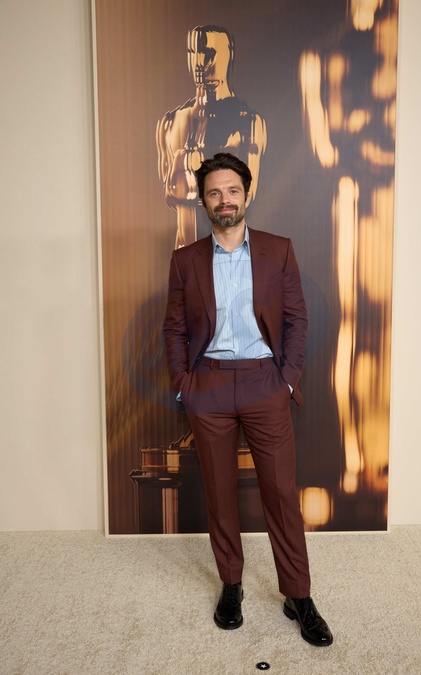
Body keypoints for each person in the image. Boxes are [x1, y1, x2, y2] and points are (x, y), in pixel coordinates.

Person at [163, 152, 333, 646]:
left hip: (265, 382)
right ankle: (231, 585)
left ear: (247, 195)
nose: (224, 200)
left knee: (281, 493)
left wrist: (286, 380)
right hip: (208, 385)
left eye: (232, 191)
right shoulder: (185, 260)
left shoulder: (279, 250)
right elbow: (174, 328)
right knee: (219, 494)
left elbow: (297, 319)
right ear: (203, 201)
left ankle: (298, 595)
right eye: (214, 192)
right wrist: (184, 385)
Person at [156, 25, 266, 248]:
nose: (199, 63)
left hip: (232, 250)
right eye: (194, 53)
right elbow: (170, 192)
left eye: (209, 53)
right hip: (185, 249)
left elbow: (246, 195)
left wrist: (187, 169)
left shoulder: (248, 121)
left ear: (227, 55)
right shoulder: (172, 120)